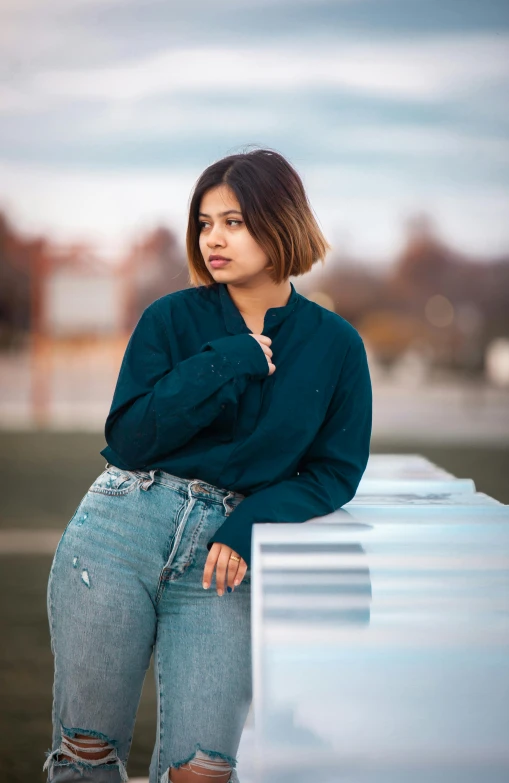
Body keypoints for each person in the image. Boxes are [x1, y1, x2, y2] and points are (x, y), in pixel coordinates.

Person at [44, 147, 373, 783]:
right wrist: (230, 359)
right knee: (85, 753)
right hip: (118, 534)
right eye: (204, 223)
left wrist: (251, 523)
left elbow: (334, 471)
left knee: (204, 770)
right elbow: (132, 438)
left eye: (235, 222)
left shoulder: (337, 346)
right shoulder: (169, 320)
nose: (213, 239)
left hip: (224, 561)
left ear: (282, 224)